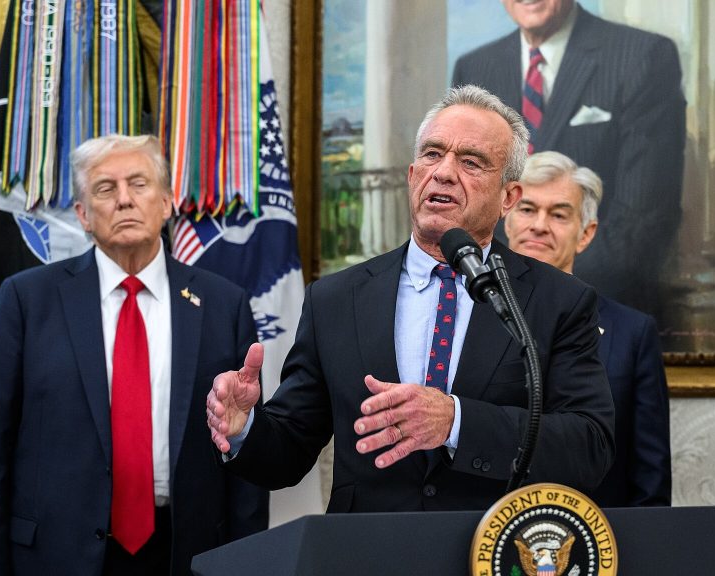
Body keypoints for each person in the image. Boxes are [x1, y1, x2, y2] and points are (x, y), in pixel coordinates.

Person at [207, 85, 615, 512]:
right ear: (413, 174)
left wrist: (456, 421)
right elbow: (287, 453)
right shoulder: (336, 298)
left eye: (471, 162)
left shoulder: (558, 301)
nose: (443, 172)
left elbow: (589, 447)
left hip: (488, 550)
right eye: (433, 154)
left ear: (509, 197)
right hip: (367, 554)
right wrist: (244, 428)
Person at [0, 135, 268, 575]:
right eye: (105, 189)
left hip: (187, 552)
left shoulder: (223, 305)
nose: (124, 200)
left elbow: (245, 457)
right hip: (54, 555)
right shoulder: (27, 301)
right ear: (83, 215)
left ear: (165, 203)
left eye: (139, 184)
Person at [452, 0, 685, 320]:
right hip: (492, 311)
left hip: (597, 310)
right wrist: (504, 291)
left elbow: (643, 220)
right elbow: (468, 209)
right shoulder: (475, 68)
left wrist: (548, 292)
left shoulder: (643, 56)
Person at [503, 151, 670, 507]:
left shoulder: (633, 334)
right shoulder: (467, 315)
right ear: (508, 219)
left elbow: (649, 477)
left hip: (599, 541)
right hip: (485, 535)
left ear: (586, 233)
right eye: (528, 209)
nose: (539, 225)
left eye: (559, 214)